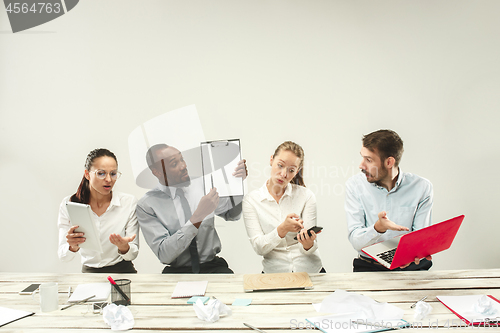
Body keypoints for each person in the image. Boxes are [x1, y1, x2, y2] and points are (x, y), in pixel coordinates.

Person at [136, 143, 248, 274]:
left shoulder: (202, 184)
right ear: (157, 172)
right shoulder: (147, 205)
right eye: (174, 164)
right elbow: (164, 254)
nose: (183, 166)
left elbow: (232, 214)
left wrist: (237, 184)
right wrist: (198, 217)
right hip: (177, 272)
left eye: (182, 159)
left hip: (213, 267)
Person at [345, 130, 433, 272]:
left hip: (411, 267)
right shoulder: (355, 185)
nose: (361, 165)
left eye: (369, 160)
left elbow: (420, 235)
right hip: (370, 267)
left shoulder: (422, 187)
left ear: (389, 162)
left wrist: (415, 253)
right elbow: (356, 241)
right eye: (363, 158)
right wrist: (378, 228)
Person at [243, 141, 324, 273]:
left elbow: (310, 248)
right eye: (280, 165)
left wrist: (307, 243)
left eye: (291, 170)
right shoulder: (251, 200)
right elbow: (259, 247)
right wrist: (282, 229)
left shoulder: (306, 196)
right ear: (271, 160)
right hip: (274, 274)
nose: (284, 174)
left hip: (309, 271)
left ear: (297, 171)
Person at [58, 148, 139, 273]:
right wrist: (72, 246)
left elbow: (132, 254)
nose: (108, 179)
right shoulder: (69, 204)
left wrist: (124, 247)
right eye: (101, 173)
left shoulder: (128, 202)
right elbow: (63, 256)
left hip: (123, 272)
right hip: (89, 274)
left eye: (113, 173)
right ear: (87, 174)